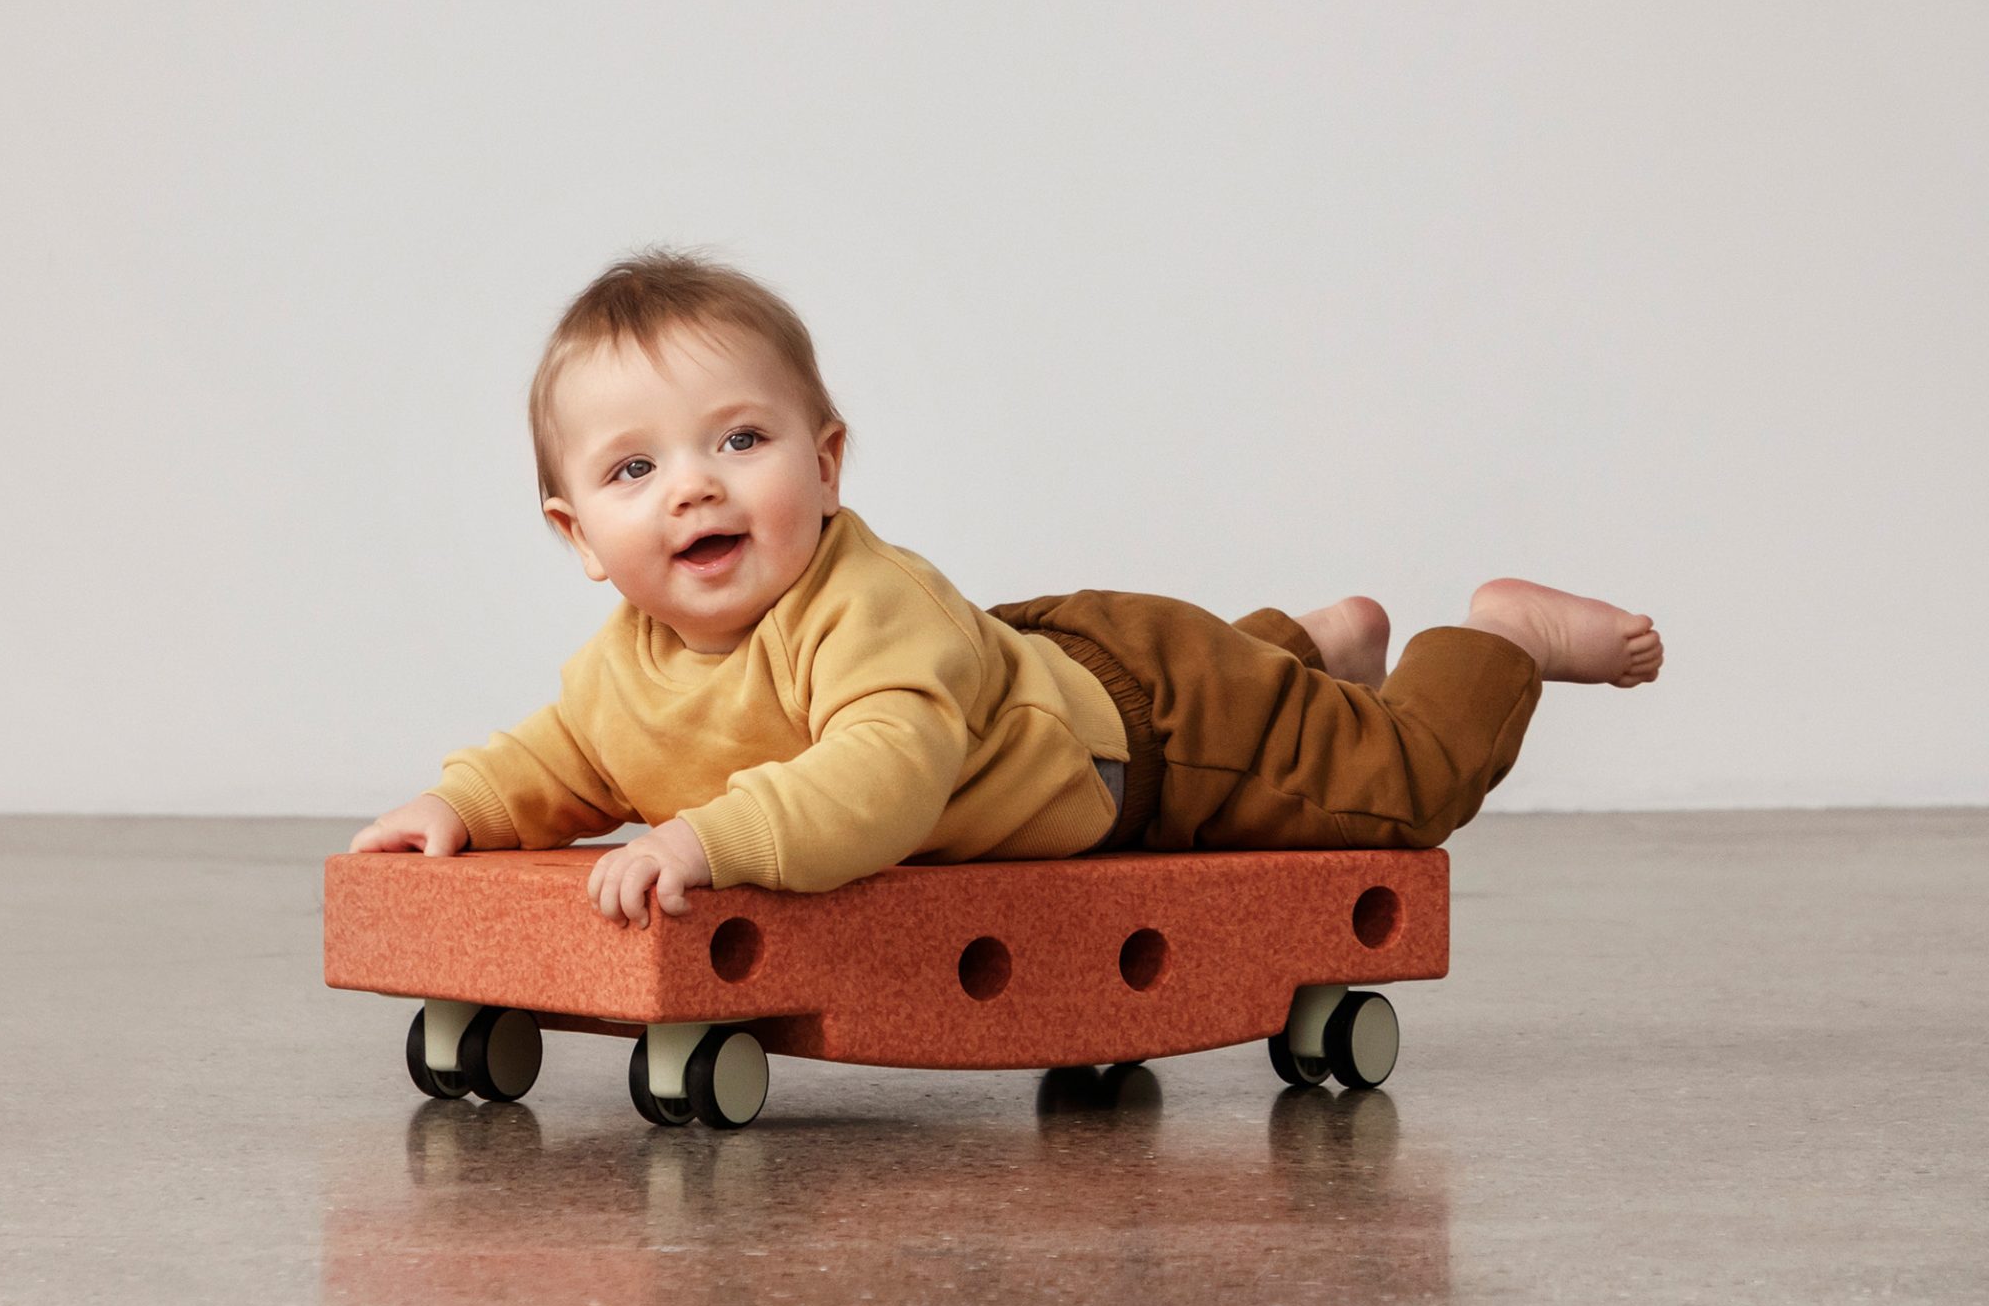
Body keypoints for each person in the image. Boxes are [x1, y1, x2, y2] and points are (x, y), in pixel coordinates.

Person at [350, 249, 1662, 927]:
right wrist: (459, 805)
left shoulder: (861, 609)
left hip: (1152, 737)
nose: (695, 487)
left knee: (1399, 789)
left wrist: (707, 842)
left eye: (740, 440)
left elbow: (884, 779)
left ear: (826, 463)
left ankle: (1495, 637)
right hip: (1039, 672)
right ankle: (1311, 649)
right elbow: (569, 754)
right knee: (1243, 692)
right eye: (635, 469)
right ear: (580, 535)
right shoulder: (624, 664)